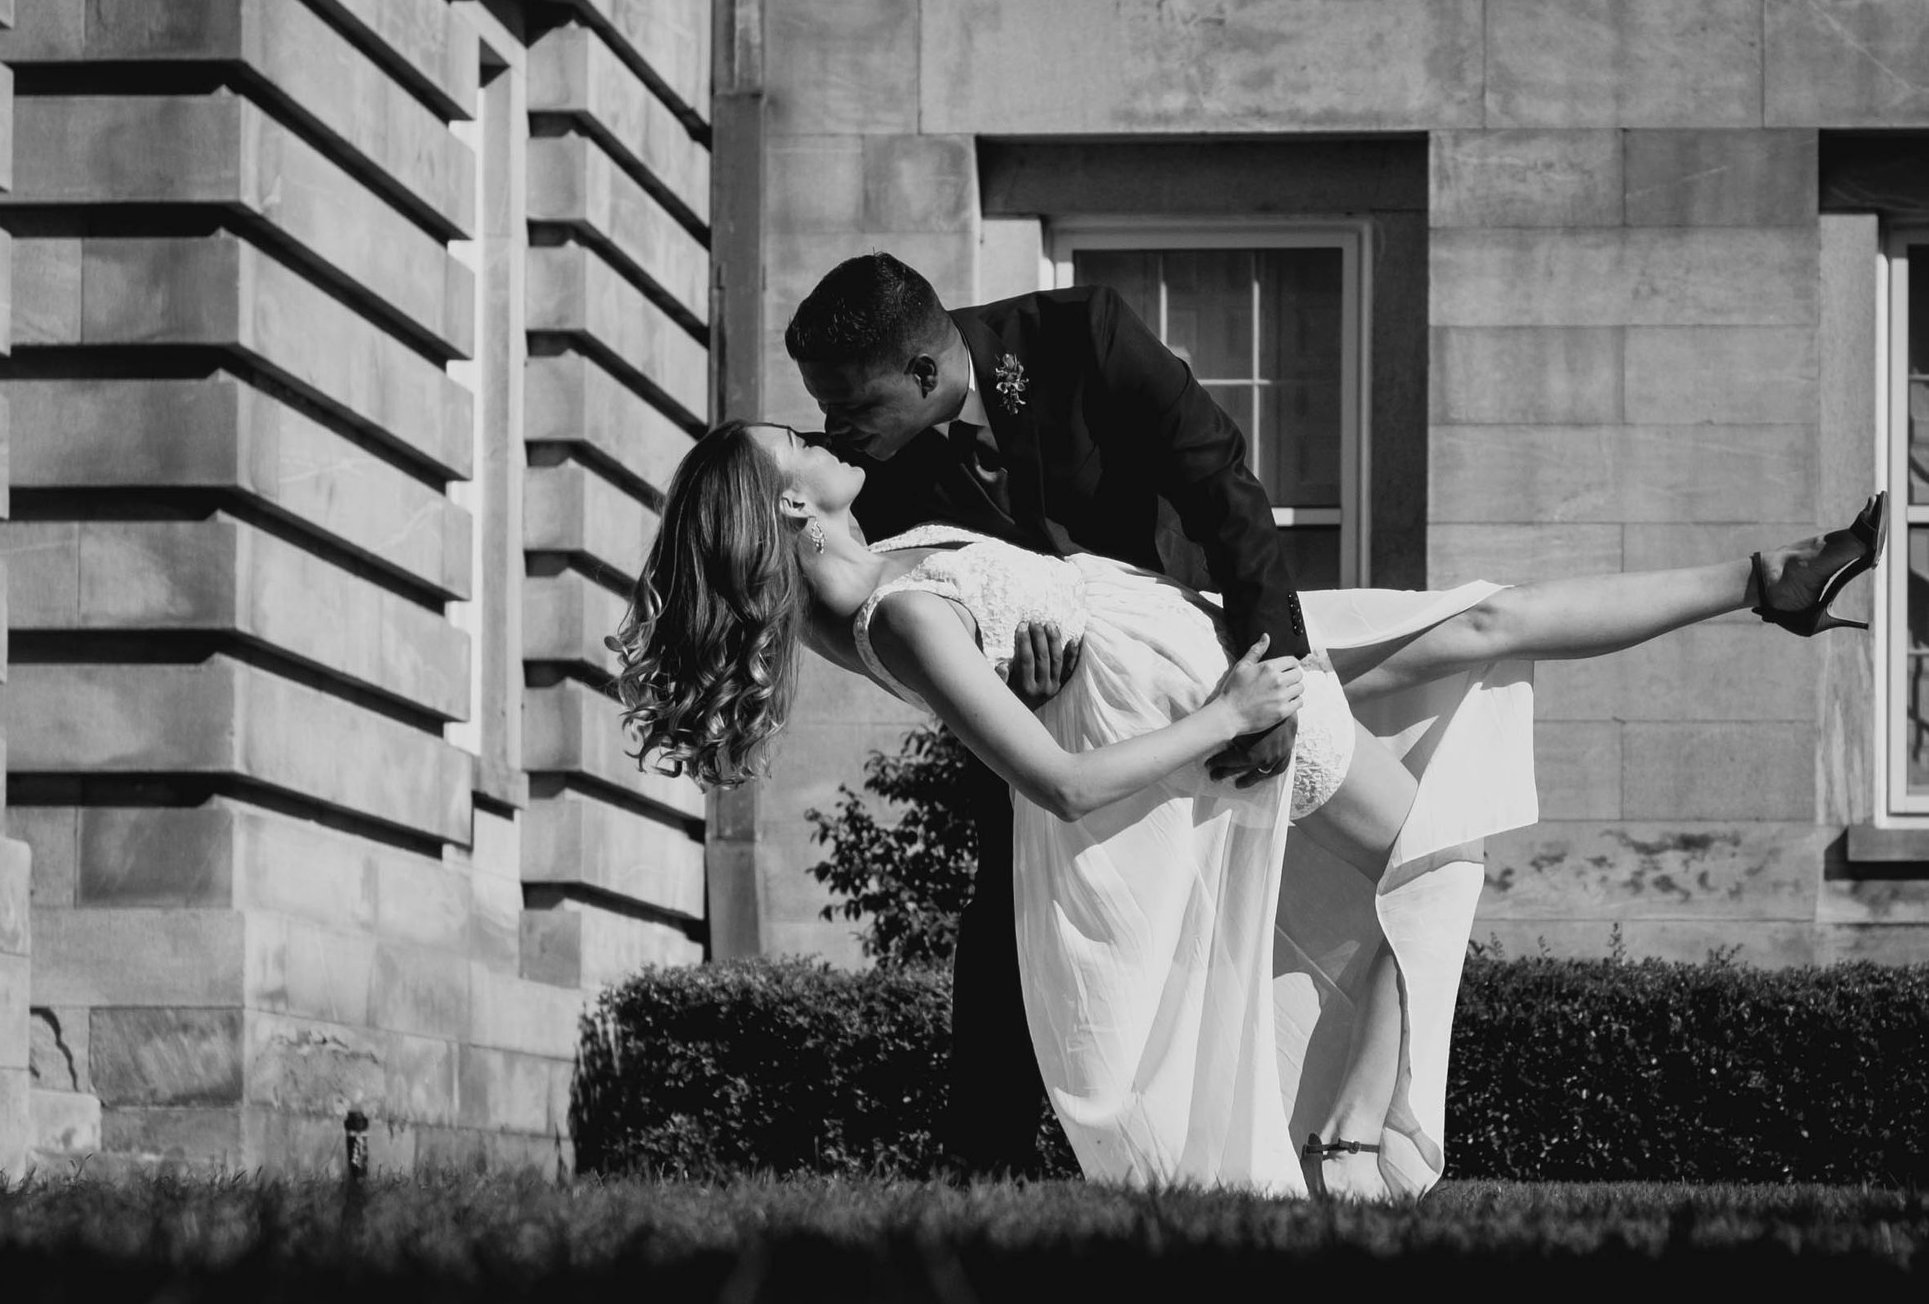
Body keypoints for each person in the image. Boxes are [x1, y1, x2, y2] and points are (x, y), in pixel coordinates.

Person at [612, 415, 1881, 1197]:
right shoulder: (891, 612)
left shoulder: (869, 578)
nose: (826, 437)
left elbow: (996, 635)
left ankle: (1770, 581)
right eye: (799, 445)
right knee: (1432, 858)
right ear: (787, 503)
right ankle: (1362, 1141)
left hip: (1188, 632)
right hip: (1193, 680)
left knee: (1478, 619)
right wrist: (1224, 717)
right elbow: (1048, 777)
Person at [784, 251, 1308, 1174]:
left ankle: (1300, 1136)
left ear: (924, 372)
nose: (835, 432)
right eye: (824, 410)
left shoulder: (1083, 337)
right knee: (1008, 933)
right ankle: (982, 1171)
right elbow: (922, 637)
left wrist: (1275, 674)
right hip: (1040, 731)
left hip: (1189, 674)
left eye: (852, 408)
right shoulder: (874, 480)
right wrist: (1010, 690)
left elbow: (1220, 483)